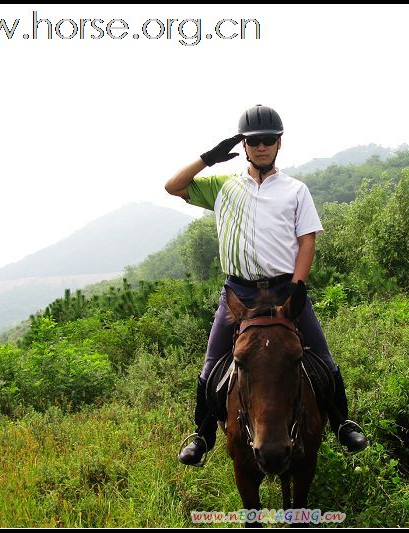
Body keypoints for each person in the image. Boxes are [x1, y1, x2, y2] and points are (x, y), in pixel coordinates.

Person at [165, 104, 367, 467]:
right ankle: (202, 435)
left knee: (321, 356)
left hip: (285, 291)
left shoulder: (295, 190)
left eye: (268, 140)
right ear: (243, 145)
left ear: (279, 143)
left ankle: (342, 423)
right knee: (212, 363)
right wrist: (208, 158)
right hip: (239, 293)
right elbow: (173, 186)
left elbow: (307, 241)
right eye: (254, 141)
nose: (261, 146)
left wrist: (297, 286)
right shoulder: (222, 187)